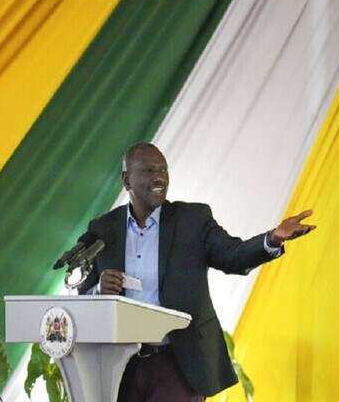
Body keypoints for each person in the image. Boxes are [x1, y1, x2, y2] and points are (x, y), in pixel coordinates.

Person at [79, 142, 315, 401]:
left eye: (163, 170)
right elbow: (83, 296)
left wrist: (272, 239)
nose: (159, 177)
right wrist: (98, 290)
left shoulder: (192, 219)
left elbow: (233, 256)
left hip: (177, 362)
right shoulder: (104, 228)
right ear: (127, 180)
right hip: (119, 366)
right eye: (149, 171)